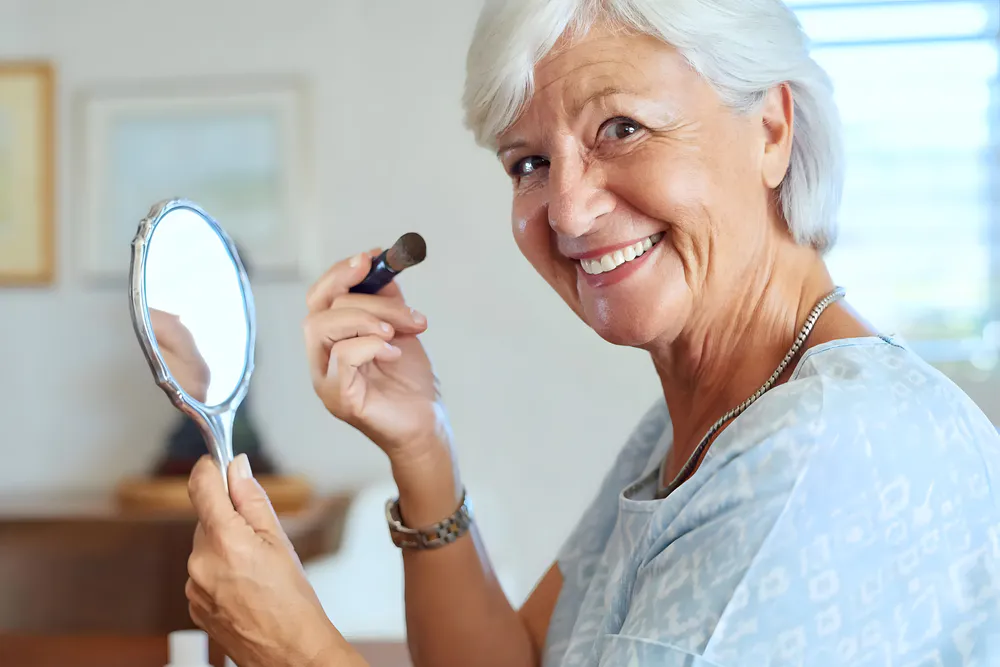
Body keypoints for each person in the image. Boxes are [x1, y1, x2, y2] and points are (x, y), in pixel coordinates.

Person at [182, 0, 1000, 665]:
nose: (569, 210)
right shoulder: (699, 422)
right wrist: (422, 450)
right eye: (528, 163)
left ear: (773, 130)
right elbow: (512, 660)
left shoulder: (831, 451)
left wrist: (292, 648)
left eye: (622, 128)